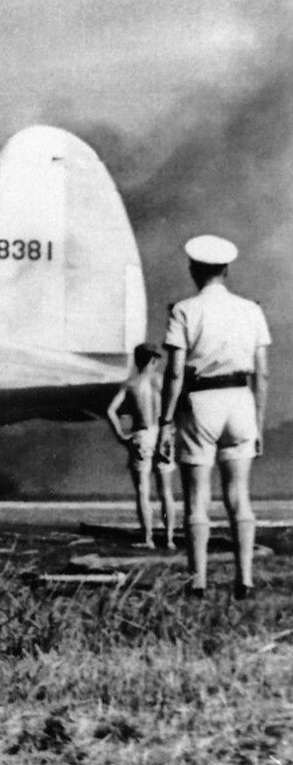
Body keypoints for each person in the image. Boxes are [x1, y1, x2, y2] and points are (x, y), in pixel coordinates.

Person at [155, 235, 270, 600]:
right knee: (239, 496)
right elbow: (261, 373)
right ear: (227, 269)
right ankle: (245, 581)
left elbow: (174, 374)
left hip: (201, 401)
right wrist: (259, 422)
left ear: (194, 269)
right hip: (240, 401)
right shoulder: (251, 310)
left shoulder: (184, 310)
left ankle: (199, 582)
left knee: (196, 498)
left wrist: (166, 421)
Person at [107, 344, 177, 548]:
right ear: (153, 360)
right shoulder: (161, 381)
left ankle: (148, 538)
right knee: (166, 491)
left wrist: (121, 435)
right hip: (162, 433)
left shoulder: (131, 384)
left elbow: (111, 410)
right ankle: (170, 538)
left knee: (142, 491)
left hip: (142, 435)